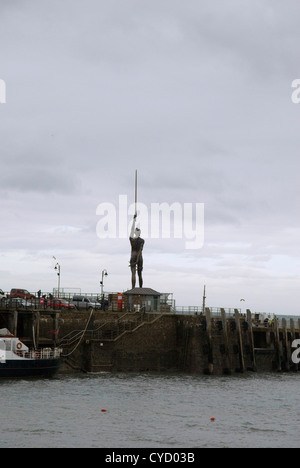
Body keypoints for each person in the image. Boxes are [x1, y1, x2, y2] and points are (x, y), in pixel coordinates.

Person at [129, 214, 145, 289]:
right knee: (139, 274)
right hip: (139, 257)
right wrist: (138, 260)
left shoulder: (132, 239)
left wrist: (134, 221)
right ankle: (140, 288)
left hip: (133, 256)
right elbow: (140, 251)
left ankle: (133, 288)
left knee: (133, 274)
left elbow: (131, 230)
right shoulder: (142, 240)